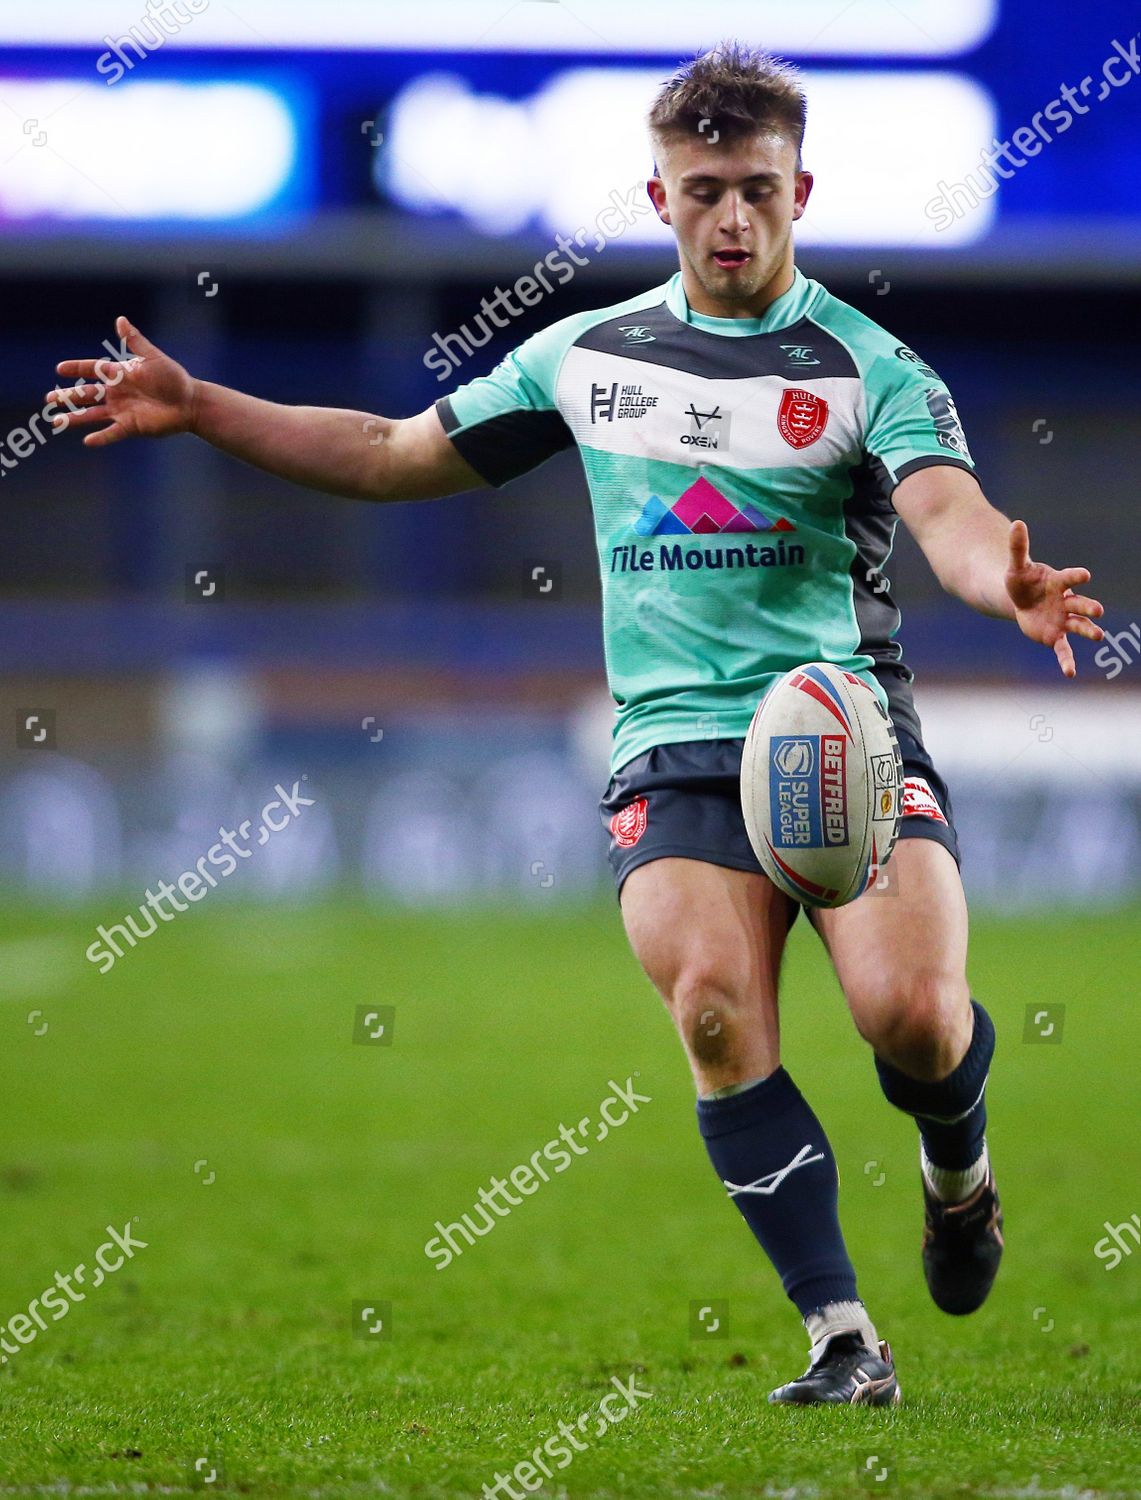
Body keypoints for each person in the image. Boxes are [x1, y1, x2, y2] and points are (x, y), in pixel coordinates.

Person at [49, 41, 1104, 1406]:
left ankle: (956, 1177)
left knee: (906, 1012)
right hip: (669, 749)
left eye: (760, 192)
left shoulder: (867, 366)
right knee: (717, 1015)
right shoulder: (588, 356)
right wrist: (202, 409)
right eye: (705, 189)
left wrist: (998, 582)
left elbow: (948, 516)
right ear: (657, 197)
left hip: (839, 735)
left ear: (804, 192)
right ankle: (839, 1332)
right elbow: (386, 452)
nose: (733, 217)